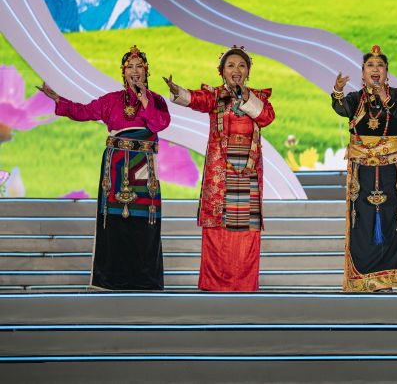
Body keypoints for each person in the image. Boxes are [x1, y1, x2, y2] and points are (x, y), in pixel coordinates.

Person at [36, 45, 170, 290]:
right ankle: (112, 279)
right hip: (116, 166)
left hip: (143, 167)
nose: (135, 71)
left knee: (144, 220)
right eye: (130, 67)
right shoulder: (111, 100)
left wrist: (145, 99)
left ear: (146, 71)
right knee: (115, 219)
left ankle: (145, 281)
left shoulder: (157, 100)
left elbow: (160, 124)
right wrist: (57, 100)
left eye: (139, 66)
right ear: (123, 72)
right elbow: (83, 111)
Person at [163, 46, 274, 292]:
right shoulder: (215, 96)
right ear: (222, 71)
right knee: (218, 224)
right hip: (220, 168)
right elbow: (196, 99)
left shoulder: (257, 97)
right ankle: (215, 282)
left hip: (248, 169)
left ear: (248, 72)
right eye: (231, 65)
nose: (236, 70)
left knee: (246, 226)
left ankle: (243, 283)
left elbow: (267, 118)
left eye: (241, 66)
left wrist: (246, 97)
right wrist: (178, 91)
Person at [331, 45, 397, 292]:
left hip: (392, 170)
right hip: (363, 171)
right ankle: (361, 279)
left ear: (386, 73)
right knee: (362, 221)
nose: (375, 69)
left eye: (380, 66)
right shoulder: (356, 98)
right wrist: (337, 91)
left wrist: (386, 99)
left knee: (391, 219)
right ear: (363, 73)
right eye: (370, 65)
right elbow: (341, 108)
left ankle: (386, 279)